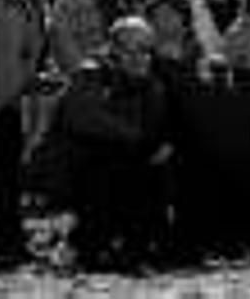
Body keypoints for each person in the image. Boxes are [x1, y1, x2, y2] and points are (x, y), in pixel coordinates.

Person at [52, 17, 173, 271]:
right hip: (89, 164)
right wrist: (137, 139)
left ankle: (140, 245)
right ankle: (90, 244)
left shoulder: (153, 81)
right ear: (114, 48)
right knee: (109, 171)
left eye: (144, 48)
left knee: (157, 168)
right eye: (130, 48)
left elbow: (158, 123)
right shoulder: (91, 72)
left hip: (133, 161)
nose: (138, 55)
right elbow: (84, 118)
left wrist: (160, 143)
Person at [0, 0, 44, 267]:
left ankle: (7, 242)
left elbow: (31, 49)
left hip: (7, 105)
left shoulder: (19, 0)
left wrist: (19, 85)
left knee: (7, 178)